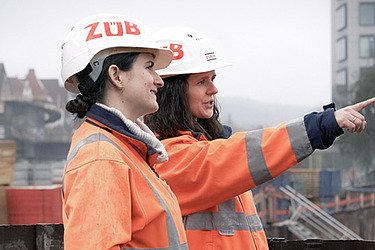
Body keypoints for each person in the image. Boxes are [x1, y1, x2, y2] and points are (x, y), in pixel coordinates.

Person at [144, 26, 375, 249]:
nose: (213, 89)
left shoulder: (207, 147)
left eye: (213, 79)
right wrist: (322, 125)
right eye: (201, 82)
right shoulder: (166, 158)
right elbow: (247, 153)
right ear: (173, 92)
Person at [60, 15, 188, 249]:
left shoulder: (121, 150)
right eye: (149, 67)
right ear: (116, 75)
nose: (159, 81)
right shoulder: (102, 158)